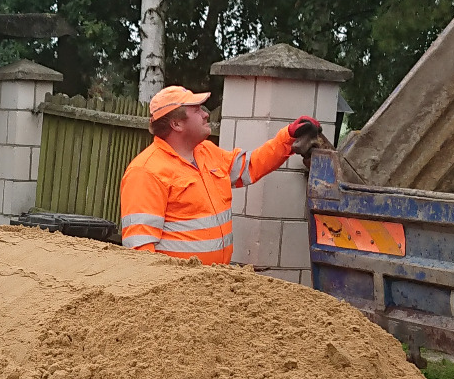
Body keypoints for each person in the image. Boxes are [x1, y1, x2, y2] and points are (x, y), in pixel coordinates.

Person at [118, 85, 324, 263]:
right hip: (177, 293)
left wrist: (287, 137)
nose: (205, 114)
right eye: (196, 110)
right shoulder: (145, 172)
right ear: (176, 124)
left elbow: (250, 167)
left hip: (213, 284)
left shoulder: (206, 151)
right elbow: (140, 253)